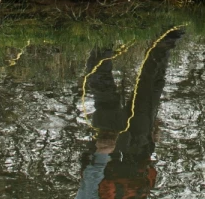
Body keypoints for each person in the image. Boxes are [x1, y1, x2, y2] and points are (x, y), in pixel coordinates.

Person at [76, 28, 182, 199]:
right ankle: (166, 38)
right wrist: (152, 143)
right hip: (140, 146)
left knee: (102, 86)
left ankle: (104, 33)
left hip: (108, 147)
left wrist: (101, 155)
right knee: (151, 87)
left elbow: (87, 188)